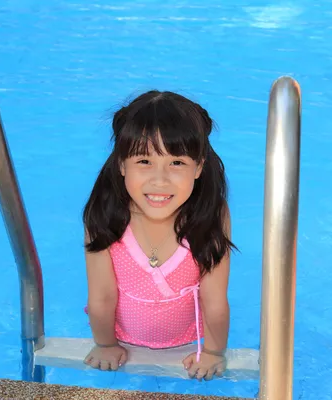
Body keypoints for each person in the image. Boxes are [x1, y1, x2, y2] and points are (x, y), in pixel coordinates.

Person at [82, 90, 235, 381]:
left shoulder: (210, 216)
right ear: (122, 164)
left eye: (177, 163)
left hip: (190, 341)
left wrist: (214, 352)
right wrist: (105, 345)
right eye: (144, 161)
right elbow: (101, 295)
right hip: (121, 339)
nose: (159, 180)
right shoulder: (105, 217)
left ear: (199, 166)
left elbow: (214, 298)